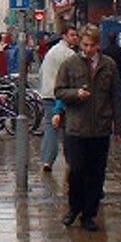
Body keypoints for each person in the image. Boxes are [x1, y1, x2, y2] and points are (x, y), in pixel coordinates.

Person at [53, 25, 121, 232]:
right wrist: (76, 94)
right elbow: (59, 91)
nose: (88, 49)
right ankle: (74, 208)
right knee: (76, 170)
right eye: (85, 45)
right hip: (76, 127)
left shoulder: (109, 66)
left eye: (92, 45)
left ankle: (89, 214)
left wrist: (118, 126)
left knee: (96, 173)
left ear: (98, 45)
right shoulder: (70, 64)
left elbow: (116, 97)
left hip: (100, 128)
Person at [37, 24, 80, 172]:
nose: (75, 38)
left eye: (76, 35)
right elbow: (73, 78)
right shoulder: (70, 55)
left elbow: (41, 72)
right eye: (72, 35)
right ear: (64, 36)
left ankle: (47, 160)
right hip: (62, 95)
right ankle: (71, 160)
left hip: (47, 94)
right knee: (68, 128)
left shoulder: (51, 52)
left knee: (51, 128)